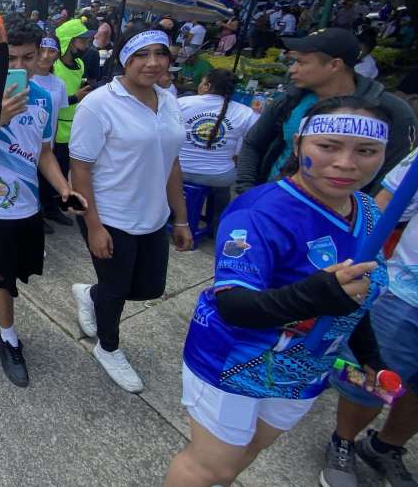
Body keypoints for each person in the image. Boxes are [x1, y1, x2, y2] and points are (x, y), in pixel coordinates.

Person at [164, 96, 391, 487]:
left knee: (249, 450)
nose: (347, 163)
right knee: (211, 466)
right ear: (300, 143)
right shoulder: (257, 212)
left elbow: (356, 297)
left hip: (308, 366)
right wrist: (319, 292)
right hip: (235, 359)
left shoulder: (369, 212)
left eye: (366, 151)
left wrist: (371, 356)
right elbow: (235, 305)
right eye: (329, 146)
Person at [69, 28, 194, 393]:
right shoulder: (99, 103)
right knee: (116, 290)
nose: (153, 62)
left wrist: (181, 217)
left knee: (147, 288)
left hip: (153, 215)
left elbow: (172, 163)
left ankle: (89, 294)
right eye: (142, 54)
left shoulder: (169, 98)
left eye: (161, 53)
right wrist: (93, 226)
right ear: (124, 58)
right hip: (110, 216)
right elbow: (80, 169)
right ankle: (107, 348)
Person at [0, 15, 84, 387]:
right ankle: (9, 339)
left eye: (28, 58)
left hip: (28, 207)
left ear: (40, 57)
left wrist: (64, 188)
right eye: (10, 59)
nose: (19, 67)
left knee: (12, 269)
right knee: (2, 279)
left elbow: (44, 153)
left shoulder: (45, 99)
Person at [318, 147, 418, 487]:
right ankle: (342, 440)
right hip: (408, 292)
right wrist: (359, 264)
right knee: (374, 376)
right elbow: (386, 203)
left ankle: (384, 446)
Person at [236, 27, 415, 194]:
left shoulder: (391, 111)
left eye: (300, 62)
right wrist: (247, 192)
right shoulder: (290, 100)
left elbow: (392, 177)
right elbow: (253, 143)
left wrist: (359, 217)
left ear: (334, 65)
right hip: (272, 200)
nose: (292, 69)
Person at [177, 69, 259, 223]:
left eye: (202, 82)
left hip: (179, 171)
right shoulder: (246, 113)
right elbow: (255, 141)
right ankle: (217, 222)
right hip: (219, 176)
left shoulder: (181, 103)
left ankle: (175, 217)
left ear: (207, 86)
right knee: (222, 190)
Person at [31, 34, 73, 233]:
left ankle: (51, 209)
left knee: (49, 178)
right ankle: (37, 216)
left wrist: (53, 140)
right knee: (34, 180)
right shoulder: (27, 81)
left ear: (58, 55)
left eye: (52, 51)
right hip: (29, 142)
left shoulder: (59, 84)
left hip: (49, 141)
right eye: (42, 51)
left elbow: (56, 114)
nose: (46, 56)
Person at [51, 20, 94, 186]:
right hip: (58, 130)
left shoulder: (80, 64)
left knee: (71, 169)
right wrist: (75, 97)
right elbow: (51, 99)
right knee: (58, 171)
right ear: (68, 41)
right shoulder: (54, 66)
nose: (85, 46)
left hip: (76, 129)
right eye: (82, 41)